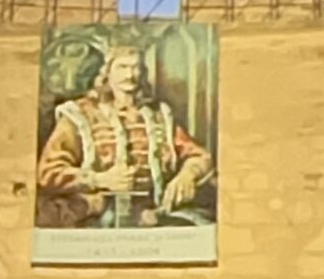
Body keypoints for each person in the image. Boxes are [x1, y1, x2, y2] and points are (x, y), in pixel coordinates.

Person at [35, 43, 214, 229]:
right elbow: (48, 172)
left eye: (136, 68)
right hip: (94, 218)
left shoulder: (159, 115)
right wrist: (100, 179)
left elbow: (199, 156)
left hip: (154, 214)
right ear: (107, 73)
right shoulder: (79, 115)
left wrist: (187, 175)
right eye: (122, 67)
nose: (130, 75)